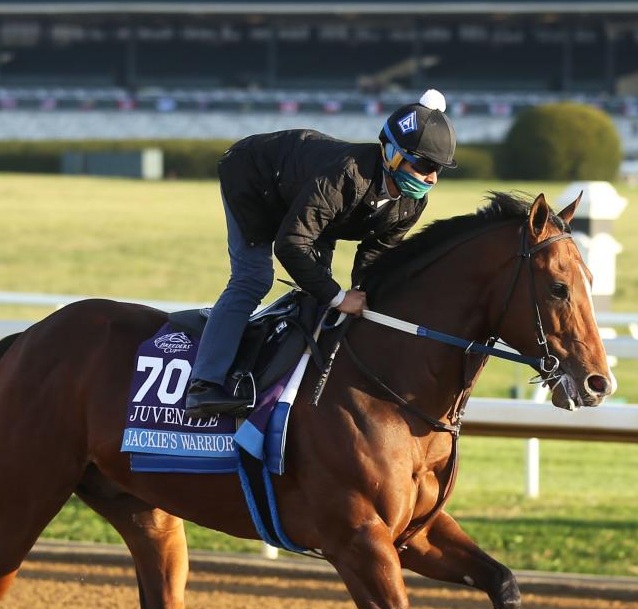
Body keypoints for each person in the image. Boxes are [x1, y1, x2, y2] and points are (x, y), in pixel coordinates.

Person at [184, 89, 458, 417]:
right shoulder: (344, 175)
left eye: (439, 168)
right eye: (425, 164)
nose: (432, 178)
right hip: (254, 179)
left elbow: (375, 256)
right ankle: (205, 385)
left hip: (310, 200)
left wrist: (363, 293)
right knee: (253, 279)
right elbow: (291, 244)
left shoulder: (413, 202)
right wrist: (338, 296)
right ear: (393, 153)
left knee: (318, 295)